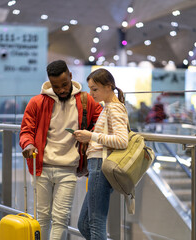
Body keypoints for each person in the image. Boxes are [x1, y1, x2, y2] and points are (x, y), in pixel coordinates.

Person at [19, 60, 102, 240]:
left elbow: (101, 123)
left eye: (64, 84)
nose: (62, 90)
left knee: (61, 218)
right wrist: (28, 144)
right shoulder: (37, 102)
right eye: (56, 87)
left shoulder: (86, 101)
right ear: (50, 83)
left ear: (71, 76)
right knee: (42, 216)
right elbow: (26, 130)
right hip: (41, 167)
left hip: (69, 169)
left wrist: (89, 135)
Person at [74, 68, 129, 239]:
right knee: (84, 224)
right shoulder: (109, 107)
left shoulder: (114, 108)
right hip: (97, 165)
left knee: (95, 222)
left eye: (95, 89)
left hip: (101, 165)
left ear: (108, 87)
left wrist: (91, 136)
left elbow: (122, 140)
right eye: (90, 89)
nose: (91, 93)